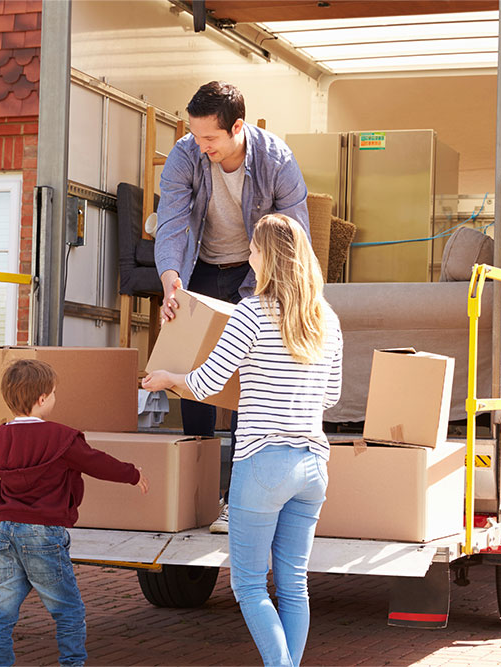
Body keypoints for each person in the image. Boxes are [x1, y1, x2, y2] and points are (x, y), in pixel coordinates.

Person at [144, 213, 342, 667]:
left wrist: (168, 378)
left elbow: (209, 381)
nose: (248, 256)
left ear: (268, 257)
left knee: (249, 585)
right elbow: (330, 395)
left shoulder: (251, 313)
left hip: (262, 462)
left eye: (253, 249)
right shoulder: (326, 319)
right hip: (313, 464)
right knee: (293, 583)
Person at [154, 80, 311, 533]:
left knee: (249, 380)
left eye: (210, 139)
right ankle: (198, 495)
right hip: (200, 268)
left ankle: (237, 500)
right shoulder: (187, 154)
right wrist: (171, 282)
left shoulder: (276, 160)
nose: (200, 146)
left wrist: (270, 297)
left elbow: (292, 235)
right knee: (193, 370)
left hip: (257, 274)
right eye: (195, 135)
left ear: (237, 127)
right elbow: (172, 222)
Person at [0, 359, 150, 667]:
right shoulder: (61, 438)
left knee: (2, 608)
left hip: (5, 530)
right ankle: (72, 663)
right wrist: (132, 474)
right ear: (42, 398)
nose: (55, 398)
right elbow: (96, 462)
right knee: (68, 608)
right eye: (54, 393)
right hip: (44, 532)